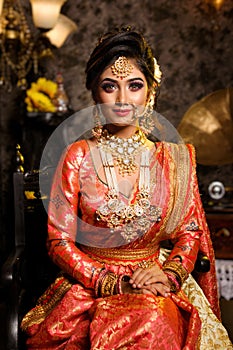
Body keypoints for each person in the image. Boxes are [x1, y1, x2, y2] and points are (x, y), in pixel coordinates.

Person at [21, 26, 233, 349]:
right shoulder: (77, 156)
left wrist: (170, 275)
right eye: (110, 86)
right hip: (91, 287)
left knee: (156, 318)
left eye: (134, 86)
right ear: (95, 93)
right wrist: (111, 282)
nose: (122, 100)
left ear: (150, 93)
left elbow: (189, 232)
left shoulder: (170, 159)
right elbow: (58, 242)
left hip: (154, 282)